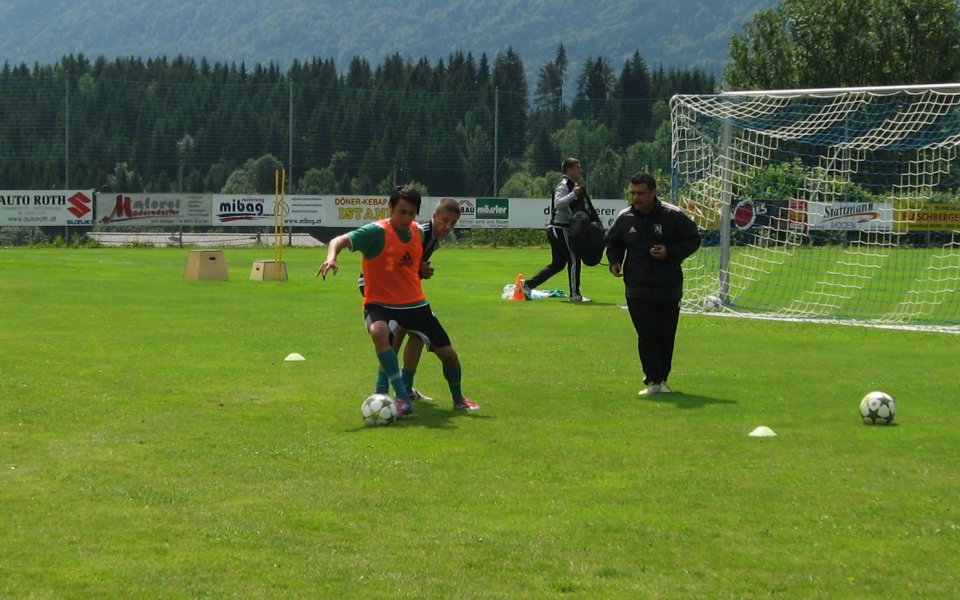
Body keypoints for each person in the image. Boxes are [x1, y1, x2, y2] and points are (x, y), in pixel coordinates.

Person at [319, 186, 479, 417]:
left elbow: (409, 260)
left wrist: (419, 268)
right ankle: (395, 394)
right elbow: (341, 240)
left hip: (413, 302)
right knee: (386, 334)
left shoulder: (420, 233)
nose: (406, 219)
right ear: (391, 208)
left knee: (444, 352)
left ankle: (449, 397)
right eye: (402, 212)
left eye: (411, 214)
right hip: (380, 293)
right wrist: (331, 258)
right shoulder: (384, 231)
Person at [605, 171, 701, 396]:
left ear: (653, 192)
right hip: (637, 288)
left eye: (641, 194)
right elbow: (613, 241)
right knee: (647, 334)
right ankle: (653, 380)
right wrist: (614, 261)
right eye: (633, 193)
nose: (636, 198)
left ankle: (662, 379)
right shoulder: (625, 217)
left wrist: (670, 252)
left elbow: (693, 238)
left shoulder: (673, 215)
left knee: (665, 335)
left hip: (668, 286)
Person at [358, 197, 461, 402]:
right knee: (399, 330)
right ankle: (385, 389)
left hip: (399, 289)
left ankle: (400, 388)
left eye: (452, 223)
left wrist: (420, 268)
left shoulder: (433, 238)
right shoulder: (421, 231)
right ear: (434, 216)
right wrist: (420, 267)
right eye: (444, 220)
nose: (447, 226)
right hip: (377, 284)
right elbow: (395, 256)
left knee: (416, 334)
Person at [521, 157, 591, 303]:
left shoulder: (573, 184)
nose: (580, 170)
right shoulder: (564, 185)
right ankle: (575, 295)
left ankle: (527, 285)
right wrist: (574, 194)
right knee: (574, 259)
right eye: (577, 167)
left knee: (558, 264)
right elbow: (558, 204)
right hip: (559, 228)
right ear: (568, 170)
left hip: (560, 229)